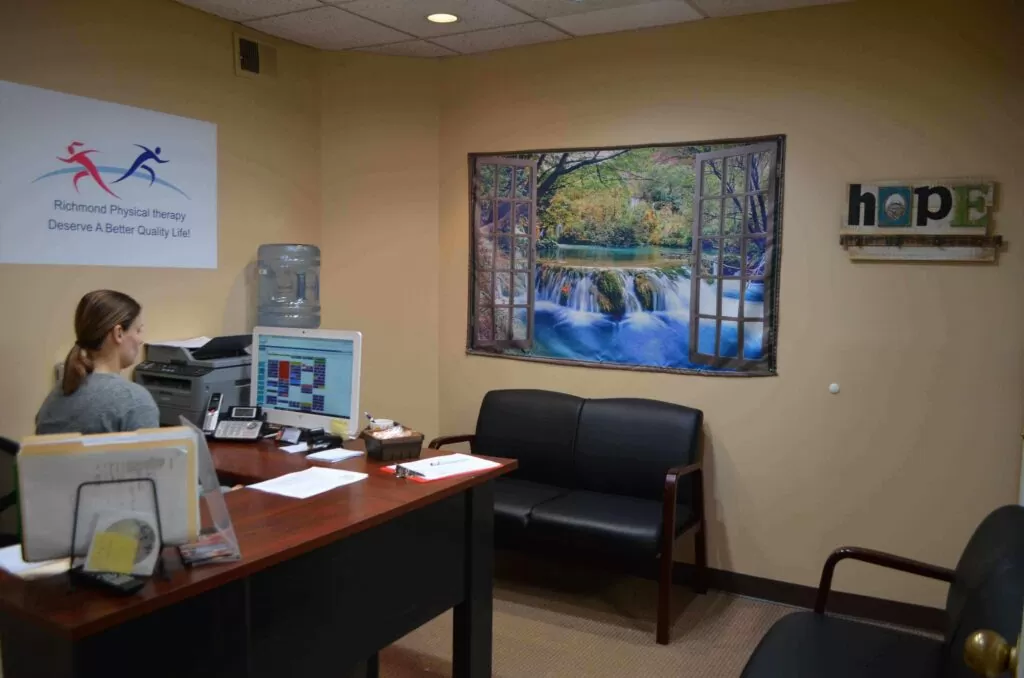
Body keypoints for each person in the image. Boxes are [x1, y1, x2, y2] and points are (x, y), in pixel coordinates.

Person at [36, 290, 160, 435]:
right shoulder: (135, 401)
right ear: (119, 333)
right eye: (138, 331)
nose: (140, 340)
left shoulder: (56, 395)